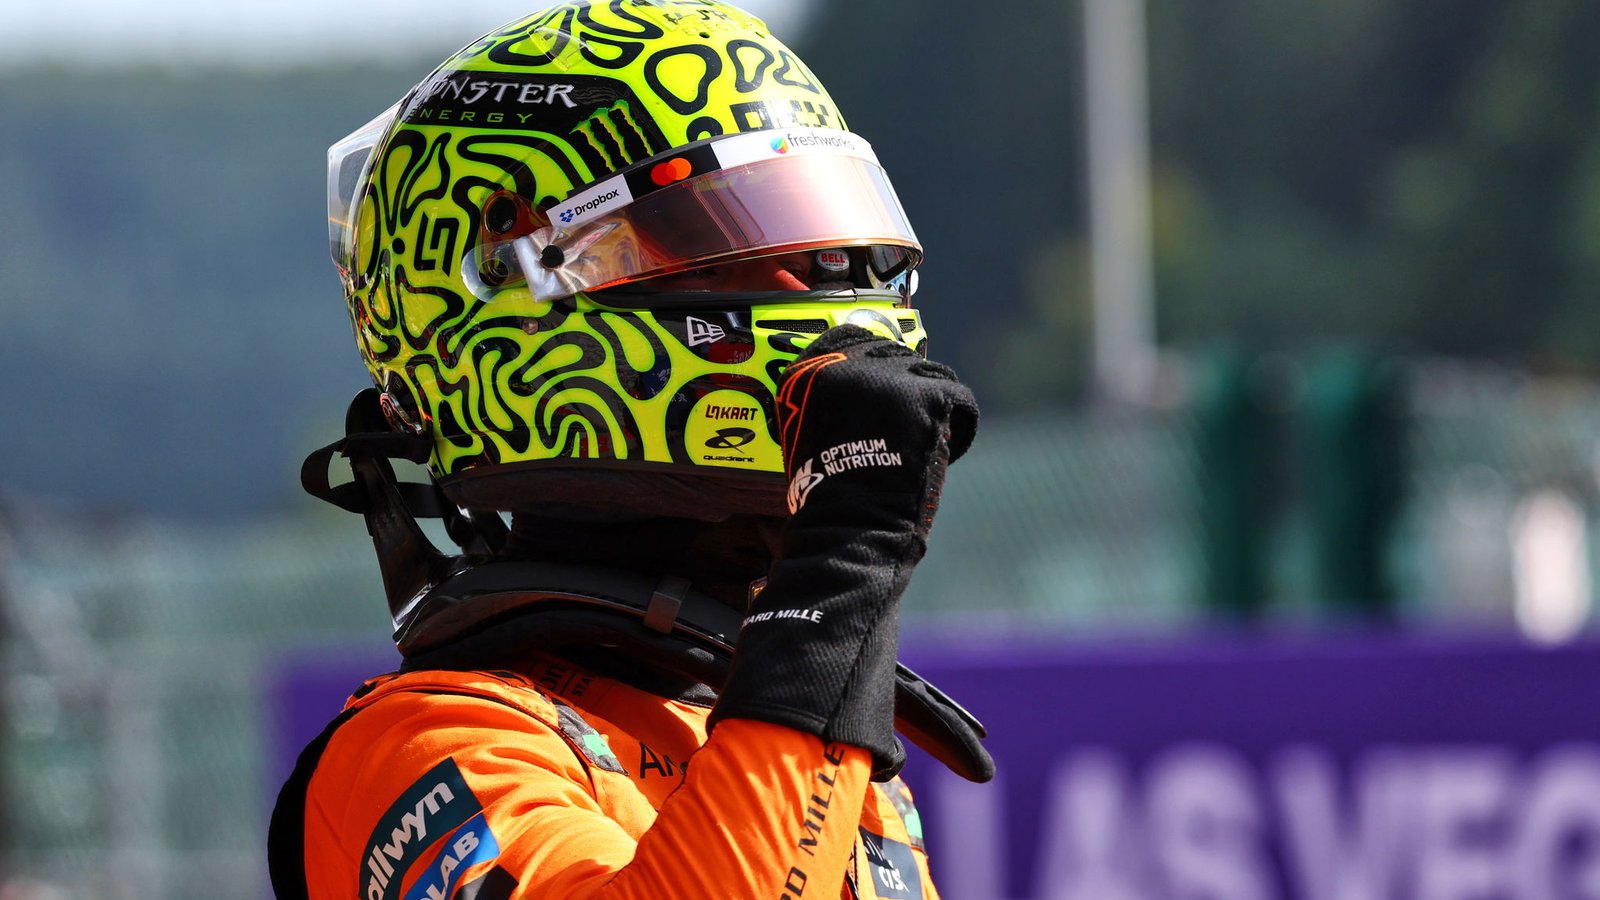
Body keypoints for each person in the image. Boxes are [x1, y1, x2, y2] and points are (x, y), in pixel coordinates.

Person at [268, 2, 992, 898]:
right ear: (502, 289)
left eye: (832, 252)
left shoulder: (841, 770)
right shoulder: (424, 748)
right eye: (718, 246)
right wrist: (843, 572)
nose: (822, 297)